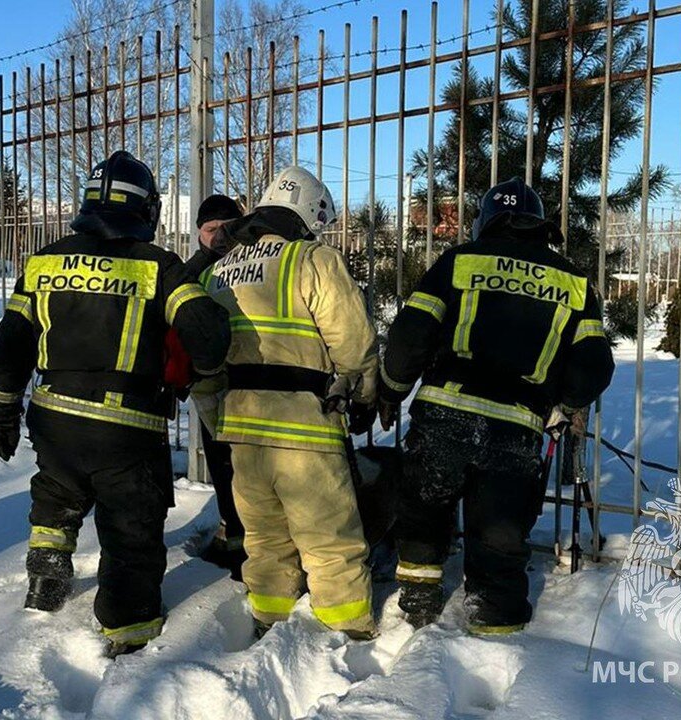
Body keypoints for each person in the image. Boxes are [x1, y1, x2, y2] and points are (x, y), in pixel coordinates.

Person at [0, 151, 231, 658]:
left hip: (54, 420)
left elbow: (9, 348)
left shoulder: (45, 261)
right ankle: (130, 637)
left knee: (55, 497)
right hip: (127, 429)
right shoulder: (159, 267)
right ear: (147, 209)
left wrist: (0, 413)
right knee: (131, 530)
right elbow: (207, 340)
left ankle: (45, 584)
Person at [378, 177, 614, 635]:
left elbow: (409, 336)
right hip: (517, 427)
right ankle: (496, 628)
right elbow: (593, 368)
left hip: (444, 414)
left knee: (425, 514)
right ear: (539, 226)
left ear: (486, 222)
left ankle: (419, 607)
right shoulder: (574, 283)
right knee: (500, 535)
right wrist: (562, 403)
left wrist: (391, 389)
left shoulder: (458, 262)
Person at [201, 165, 379, 640]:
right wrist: (363, 396)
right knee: (330, 540)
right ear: (306, 213)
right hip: (305, 429)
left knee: (264, 538)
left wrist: (219, 418)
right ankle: (350, 633)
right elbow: (353, 345)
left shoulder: (221, 269)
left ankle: (268, 617)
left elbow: (204, 359)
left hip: (242, 429)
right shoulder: (314, 260)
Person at [185, 194, 247, 579]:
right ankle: (233, 533)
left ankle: (250, 539)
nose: (221, 237)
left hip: (251, 383)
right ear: (198, 234)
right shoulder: (189, 273)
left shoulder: (254, 264)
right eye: (211, 230)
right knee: (222, 465)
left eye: (229, 228)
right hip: (210, 388)